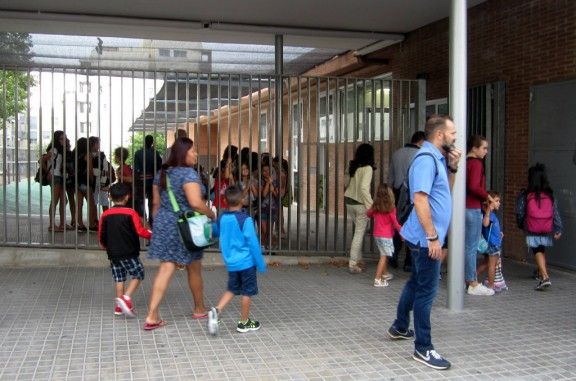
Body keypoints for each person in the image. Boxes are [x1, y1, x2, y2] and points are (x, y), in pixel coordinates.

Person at [387, 115, 462, 371]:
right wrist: (433, 237)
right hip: (426, 238)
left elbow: (444, 192)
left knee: (416, 282)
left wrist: (453, 168)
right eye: (452, 133)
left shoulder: (438, 159)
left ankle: (399, 326)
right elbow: (420, 200)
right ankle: (423, 347)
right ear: (440, 135)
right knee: (426, 292)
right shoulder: (425, 160)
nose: (455, 137)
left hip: (425, 236)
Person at [143, 137, 216, 331]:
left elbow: (155, 204)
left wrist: (160, 226)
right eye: (193, 151)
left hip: (165, 223)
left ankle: (153, 315)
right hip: (186, 227)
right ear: (184, 153)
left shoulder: (162, 173)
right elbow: (195, 203)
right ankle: (199, 308)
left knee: (166, 268)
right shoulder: (189, 175)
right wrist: (211, 213)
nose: (196, 154)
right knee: (193, 268)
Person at [207, 185, 267, 336]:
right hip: (246, 263)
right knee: (247, 292)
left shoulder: (222, 218)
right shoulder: (245, 220)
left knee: (232, 289)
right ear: (242, 200)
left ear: (226, 201)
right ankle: (244, 322)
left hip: (232, 263)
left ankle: (216, 311)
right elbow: (253, 242)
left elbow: (215, 232)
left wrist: (208, 227)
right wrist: (260, 262)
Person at [98, 183, 152, 317]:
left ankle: (118, 307)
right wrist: (152, 234)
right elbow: (140, 231)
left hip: (113, 253)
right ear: (127, 197)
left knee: (119, 278)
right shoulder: (131, 213)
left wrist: (105, 246)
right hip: (129, 252)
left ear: (110, 197)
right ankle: (125, 298)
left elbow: (101, 233)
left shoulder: (105, 214)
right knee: (139, 273)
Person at [388, 131, 426, 271]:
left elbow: (390, 177)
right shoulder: (420, 156)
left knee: (397, 225)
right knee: (413, 227)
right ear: (421, 142)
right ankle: (409, 261)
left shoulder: (397, 153)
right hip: (413, 194)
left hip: (397, 193)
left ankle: (393, 256)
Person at [523, 163, 563, 290]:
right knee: (541, 249)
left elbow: (521, 212)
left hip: (532, 226)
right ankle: (541, 273)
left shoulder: (528, 195)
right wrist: (558, 228)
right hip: (546, 226)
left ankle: (545, 277)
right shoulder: (549, 194)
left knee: (537, 250)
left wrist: (521, 224)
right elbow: (555, 212)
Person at [465, 135, 495, 296]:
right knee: (471, 247)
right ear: (474, 148)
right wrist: (487, 197)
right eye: (484, 148)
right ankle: (472, 282)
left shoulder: (464, 163)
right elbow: (474, 186)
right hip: (472, 208)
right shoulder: (476, 163)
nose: (486, 151)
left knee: (464, 247)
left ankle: (467, 279)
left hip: (462, 209)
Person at [344, 143, 375, 273]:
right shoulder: (368, 168)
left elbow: (346, 183)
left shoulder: (353, 165)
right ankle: (353, 263)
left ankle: (359, 259)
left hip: (349, 201)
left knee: (358, 231)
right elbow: (363, 188)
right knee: (359, 233)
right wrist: (371, 206)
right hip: (361, 204)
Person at [367, 183, 402, 287]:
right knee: (383, 256)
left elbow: (368, 213)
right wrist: (403, 235)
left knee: (383, 254)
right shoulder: (391, 209)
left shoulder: (376, 207)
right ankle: (377, 279)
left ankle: (385, 274)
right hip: (386, 236)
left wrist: (374, 210)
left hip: (377, 235)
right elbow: (396, 224)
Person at [476, 190, 507, 292]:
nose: (499, 203)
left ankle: (471, 278)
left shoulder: (491, 214)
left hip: (494, 242)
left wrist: (499, 233)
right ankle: (490, 286)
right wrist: (489, 210)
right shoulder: (488, 213)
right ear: (490, 202)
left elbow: (492, 228)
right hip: (493, 245)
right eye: (497, 201)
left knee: (486, 263)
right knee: (492, 265)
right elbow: (485, 224)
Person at [134, 134, 163, 225]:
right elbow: (159, 166)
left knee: (141, 201)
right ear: (152, 142)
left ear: (144, 142)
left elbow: (136, 169)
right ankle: (152, 219)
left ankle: (143, 219)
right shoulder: (155, 153)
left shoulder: (138, 153)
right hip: (152, 181)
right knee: (152, 200)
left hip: (141, 181)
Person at [41, 131, 66, 232]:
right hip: (54, 176)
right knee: (55, 201)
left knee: (64, 200)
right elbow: (41, 160)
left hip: (58, 176)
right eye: (62, 139)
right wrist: (48, 172)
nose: (64, 141)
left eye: (64, 138)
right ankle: (52, 225)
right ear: (57, 140)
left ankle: (61, 224)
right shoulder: (54, 149)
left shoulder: (59, 150)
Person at [73, 137, 98, 231]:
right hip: (85, 181)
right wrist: (91, 180)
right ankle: (92, 224)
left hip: (76, 181)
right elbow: (90, 169)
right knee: (91, 203)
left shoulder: (74, 154)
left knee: (79, 204)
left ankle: (80, 224)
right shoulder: (88, 155)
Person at [90, 136, 116, 213]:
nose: (99, 145)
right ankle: (94, 220)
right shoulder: (87, 154)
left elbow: (105, 169)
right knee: (93, 201)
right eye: (97, 143)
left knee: (104, 201)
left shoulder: (102, 155)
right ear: (93, 144)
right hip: (92, 182)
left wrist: (103, 182)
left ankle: (106, 219)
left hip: (102, 181)